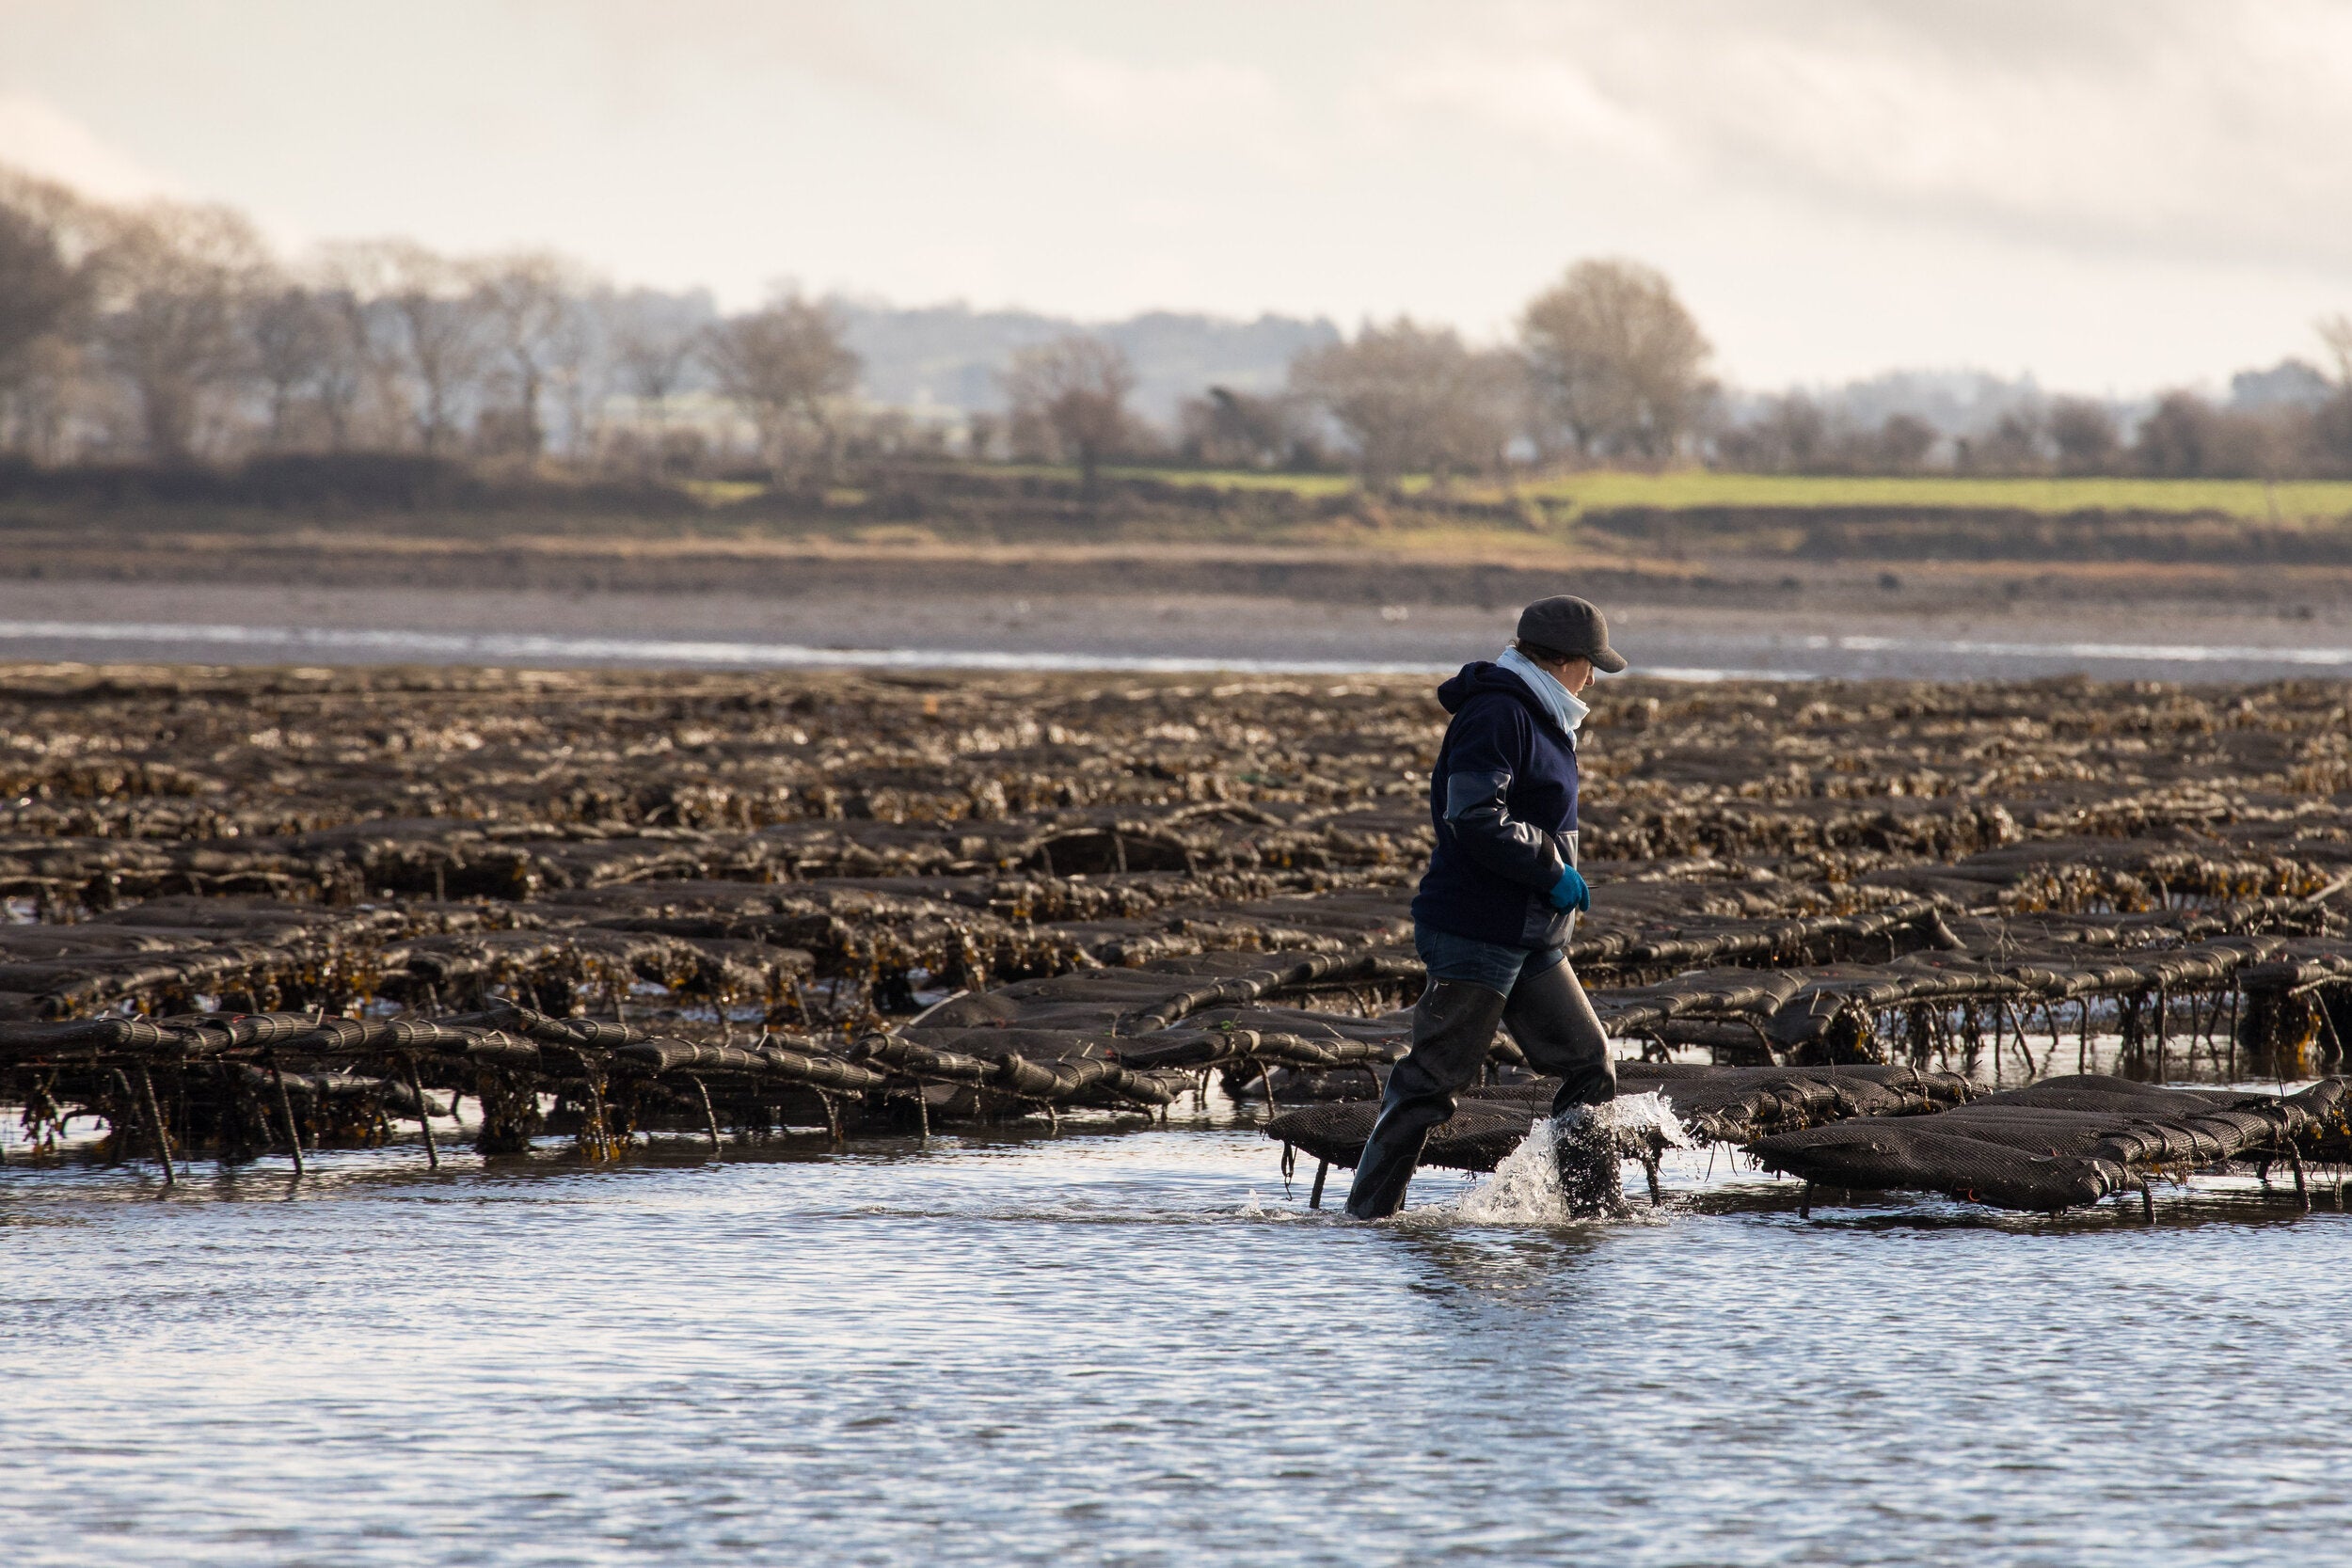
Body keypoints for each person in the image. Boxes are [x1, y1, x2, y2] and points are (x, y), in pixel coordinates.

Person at [1345, 594, 1628, 1220]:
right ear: (1564, 660)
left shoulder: (1541, 713)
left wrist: (1551, 886)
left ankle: (1596, 1216)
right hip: (1478, 929)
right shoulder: (1500, 713)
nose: (1593, 679)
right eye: (1590, 665)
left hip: (1529, 934)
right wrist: (1552, 868)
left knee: (1589, 1063)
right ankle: (1365, 1221)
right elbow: (1473, 815)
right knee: (1430, 1085)